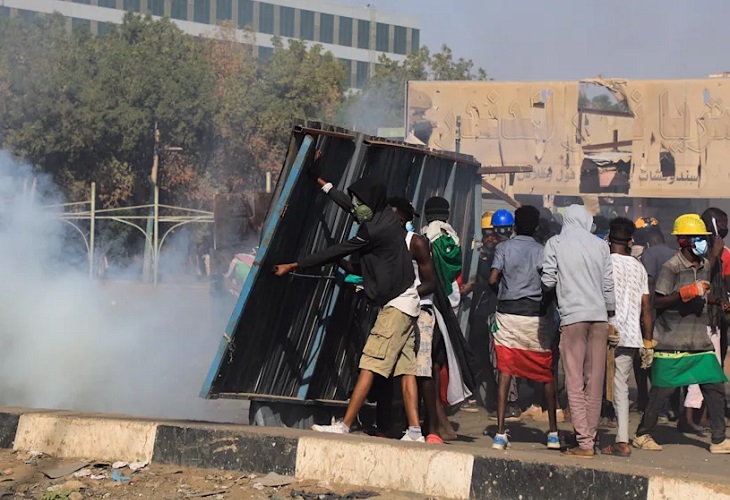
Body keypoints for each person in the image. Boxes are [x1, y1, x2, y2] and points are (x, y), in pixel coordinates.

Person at [274, 174, 425, 442]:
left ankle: (343, 425)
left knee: (369, 365)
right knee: (406, 370)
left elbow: (336, 251)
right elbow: (351, 206)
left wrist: (295, 265)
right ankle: (415, 432)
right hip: (408, 303)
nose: (356, 207)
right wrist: (323, 184)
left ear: (372, 203)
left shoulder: (373, 230)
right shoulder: (386, 217)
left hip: (395, 308)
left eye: (360, 202)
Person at [633, 214, 730, 453]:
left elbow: (703, 293)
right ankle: (643, 434)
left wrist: (716, 300)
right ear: (683, 241)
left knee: (715, 388)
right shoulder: (671, 267)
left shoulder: (705, 265)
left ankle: (718, 439)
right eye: (697, 238)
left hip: (699, 341)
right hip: (672, 341)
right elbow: (658, 302)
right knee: (661, 393)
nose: (702, 243)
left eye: (703, 238)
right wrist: (684, 294)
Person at [541, 204, 615, 459]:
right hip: (600, 318)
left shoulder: (555, 243)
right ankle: (589, 437)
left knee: (573, 380)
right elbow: (608, 286)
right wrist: (611, 315)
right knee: (594, 382)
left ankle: (584, 442)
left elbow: (548, 281)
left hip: (573, 317)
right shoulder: (601, 245)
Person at [488, 205, 560, 450]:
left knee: (506, 371)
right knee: (545, 369)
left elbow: (493, 279)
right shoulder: (543, 251)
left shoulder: (503, 248)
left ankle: (499, 434)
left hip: (508, 314)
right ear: (537, 227)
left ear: (515, 225)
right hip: (535, 316)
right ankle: (553, 433)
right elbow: (550, 283)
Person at [389, 197, 456, 442]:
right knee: (399, 370)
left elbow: (430, 282)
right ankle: (407, 426)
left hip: (421, 311)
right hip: (398, 309)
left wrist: (405, 294)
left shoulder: (418, 241)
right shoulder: (387, 242)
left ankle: (431, 430)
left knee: (424, 371)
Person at [601, 218, 653, 457]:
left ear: (608, 238)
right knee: (620, 385)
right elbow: (646, 307)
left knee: (595, 383)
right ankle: (621, 438)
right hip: (632, 336)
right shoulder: (638, 267)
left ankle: (595, 436)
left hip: (605, 332)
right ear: (630, 241)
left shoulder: (603, 262)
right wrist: (648, 342)